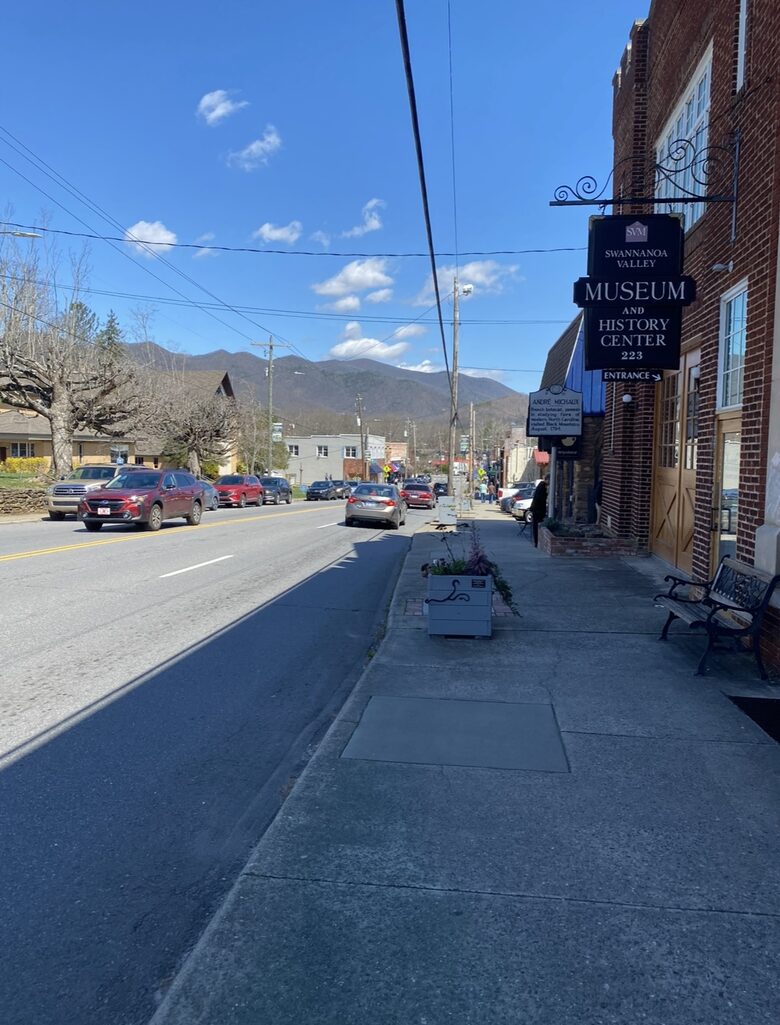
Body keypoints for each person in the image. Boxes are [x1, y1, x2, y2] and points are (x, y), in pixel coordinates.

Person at [529, 476, 548, 547]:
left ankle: (536, 542)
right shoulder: (542, 488)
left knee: (535, 526)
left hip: (536, 510)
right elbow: (540, 499)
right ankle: (536, 542)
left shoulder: (540, 486)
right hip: (538, 510)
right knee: (537, 526)